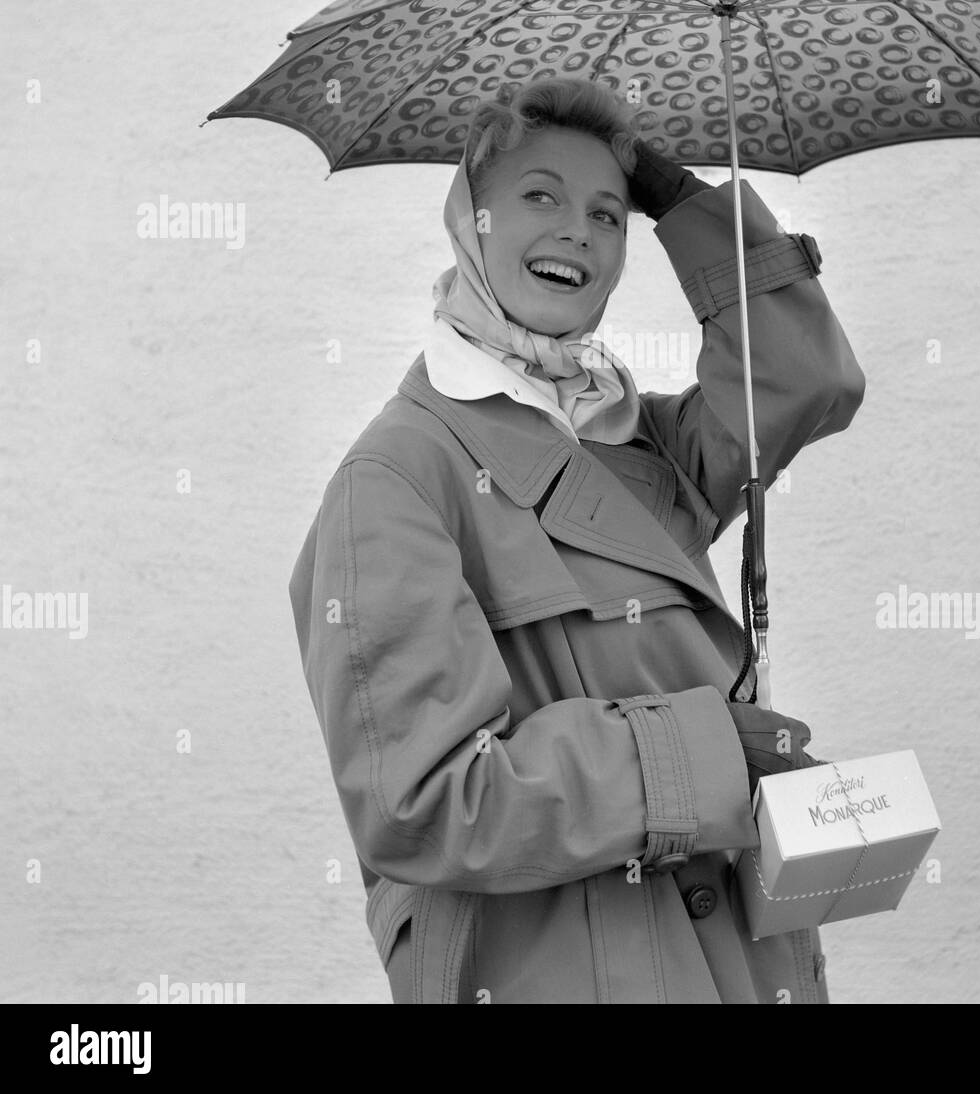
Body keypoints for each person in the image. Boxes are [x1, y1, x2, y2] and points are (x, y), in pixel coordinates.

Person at [288, 76, 866, 1004]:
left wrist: (686, 206)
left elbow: (807, 384)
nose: (578, 231)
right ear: (469, 221)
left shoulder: (631, 440)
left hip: (735, 965)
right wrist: (707, 752)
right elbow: (422, 806)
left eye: (609, 213)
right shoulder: (396, 477)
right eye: (538, 197)